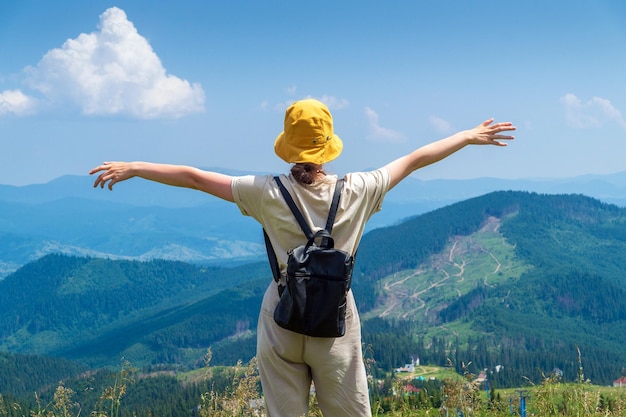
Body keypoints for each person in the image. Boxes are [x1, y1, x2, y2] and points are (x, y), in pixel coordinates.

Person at [90, 98, 515, 416]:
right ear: (329, 146)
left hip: (280, 323)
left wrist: (136, 166)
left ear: (288, 148)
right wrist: (467, 136)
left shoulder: (265, 191)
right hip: (336, 326)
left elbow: (196, 178)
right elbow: (416, 158)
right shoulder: (361, 188)